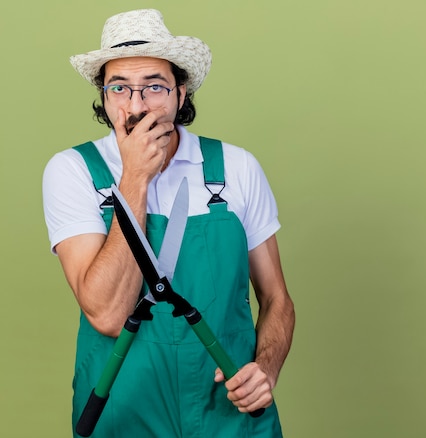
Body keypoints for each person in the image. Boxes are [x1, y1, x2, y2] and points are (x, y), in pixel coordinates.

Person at [43, 9, 295, 437]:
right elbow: (106, 314)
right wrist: (134, 177)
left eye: (154, 87)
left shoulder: (236, 167)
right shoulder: (73, 171)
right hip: (121, 409)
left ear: (182, 91)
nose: (136, 106)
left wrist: (265, 370)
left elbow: (277, 301)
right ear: (103, 96)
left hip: (228, 412)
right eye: (119, 87)